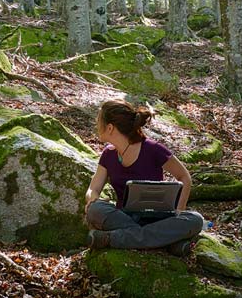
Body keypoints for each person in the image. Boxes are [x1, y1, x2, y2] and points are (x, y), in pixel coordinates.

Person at [85, 100, 203, 256]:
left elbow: (184, 176)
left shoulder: (153, 149)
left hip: (157, 218)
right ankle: (165, 242)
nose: (96, 124)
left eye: (99, 120)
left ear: (110, 127)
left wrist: (179, 210)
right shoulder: (108, 154)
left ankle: (112, 238)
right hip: (124, 218)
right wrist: (92, 198)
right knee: (95, 209)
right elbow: (93, 188)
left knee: (196, 219)